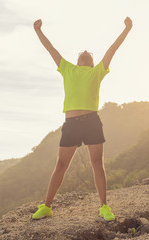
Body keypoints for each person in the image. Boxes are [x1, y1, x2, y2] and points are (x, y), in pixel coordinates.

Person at [31, 17, 133, 221]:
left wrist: (127, 29)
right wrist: (38, 31)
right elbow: (50, 49)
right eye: (82, 54)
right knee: (61, 165)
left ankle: (104, 207)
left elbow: (113, 49)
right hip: (71, 125)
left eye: (88, 54)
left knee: (97, 163)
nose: (85, 52)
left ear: (92, 62)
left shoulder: (97, 72)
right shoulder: (68, 69)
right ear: (77, 61)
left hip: (92, 122)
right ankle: (47, 206)